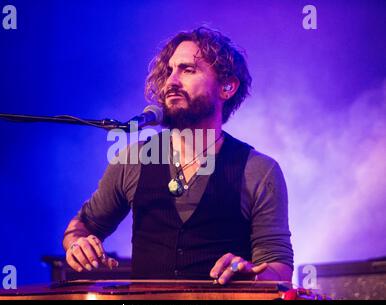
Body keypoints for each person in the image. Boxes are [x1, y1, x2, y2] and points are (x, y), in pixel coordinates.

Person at [63, 27, 293, 284]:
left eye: (188, 70)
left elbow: (279, 269)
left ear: (227, 87)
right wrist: (77, 243)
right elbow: (83, 225)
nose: (171, 81)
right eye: (169, 71)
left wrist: (250, 274)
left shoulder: (259, 170)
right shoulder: (133, 160)